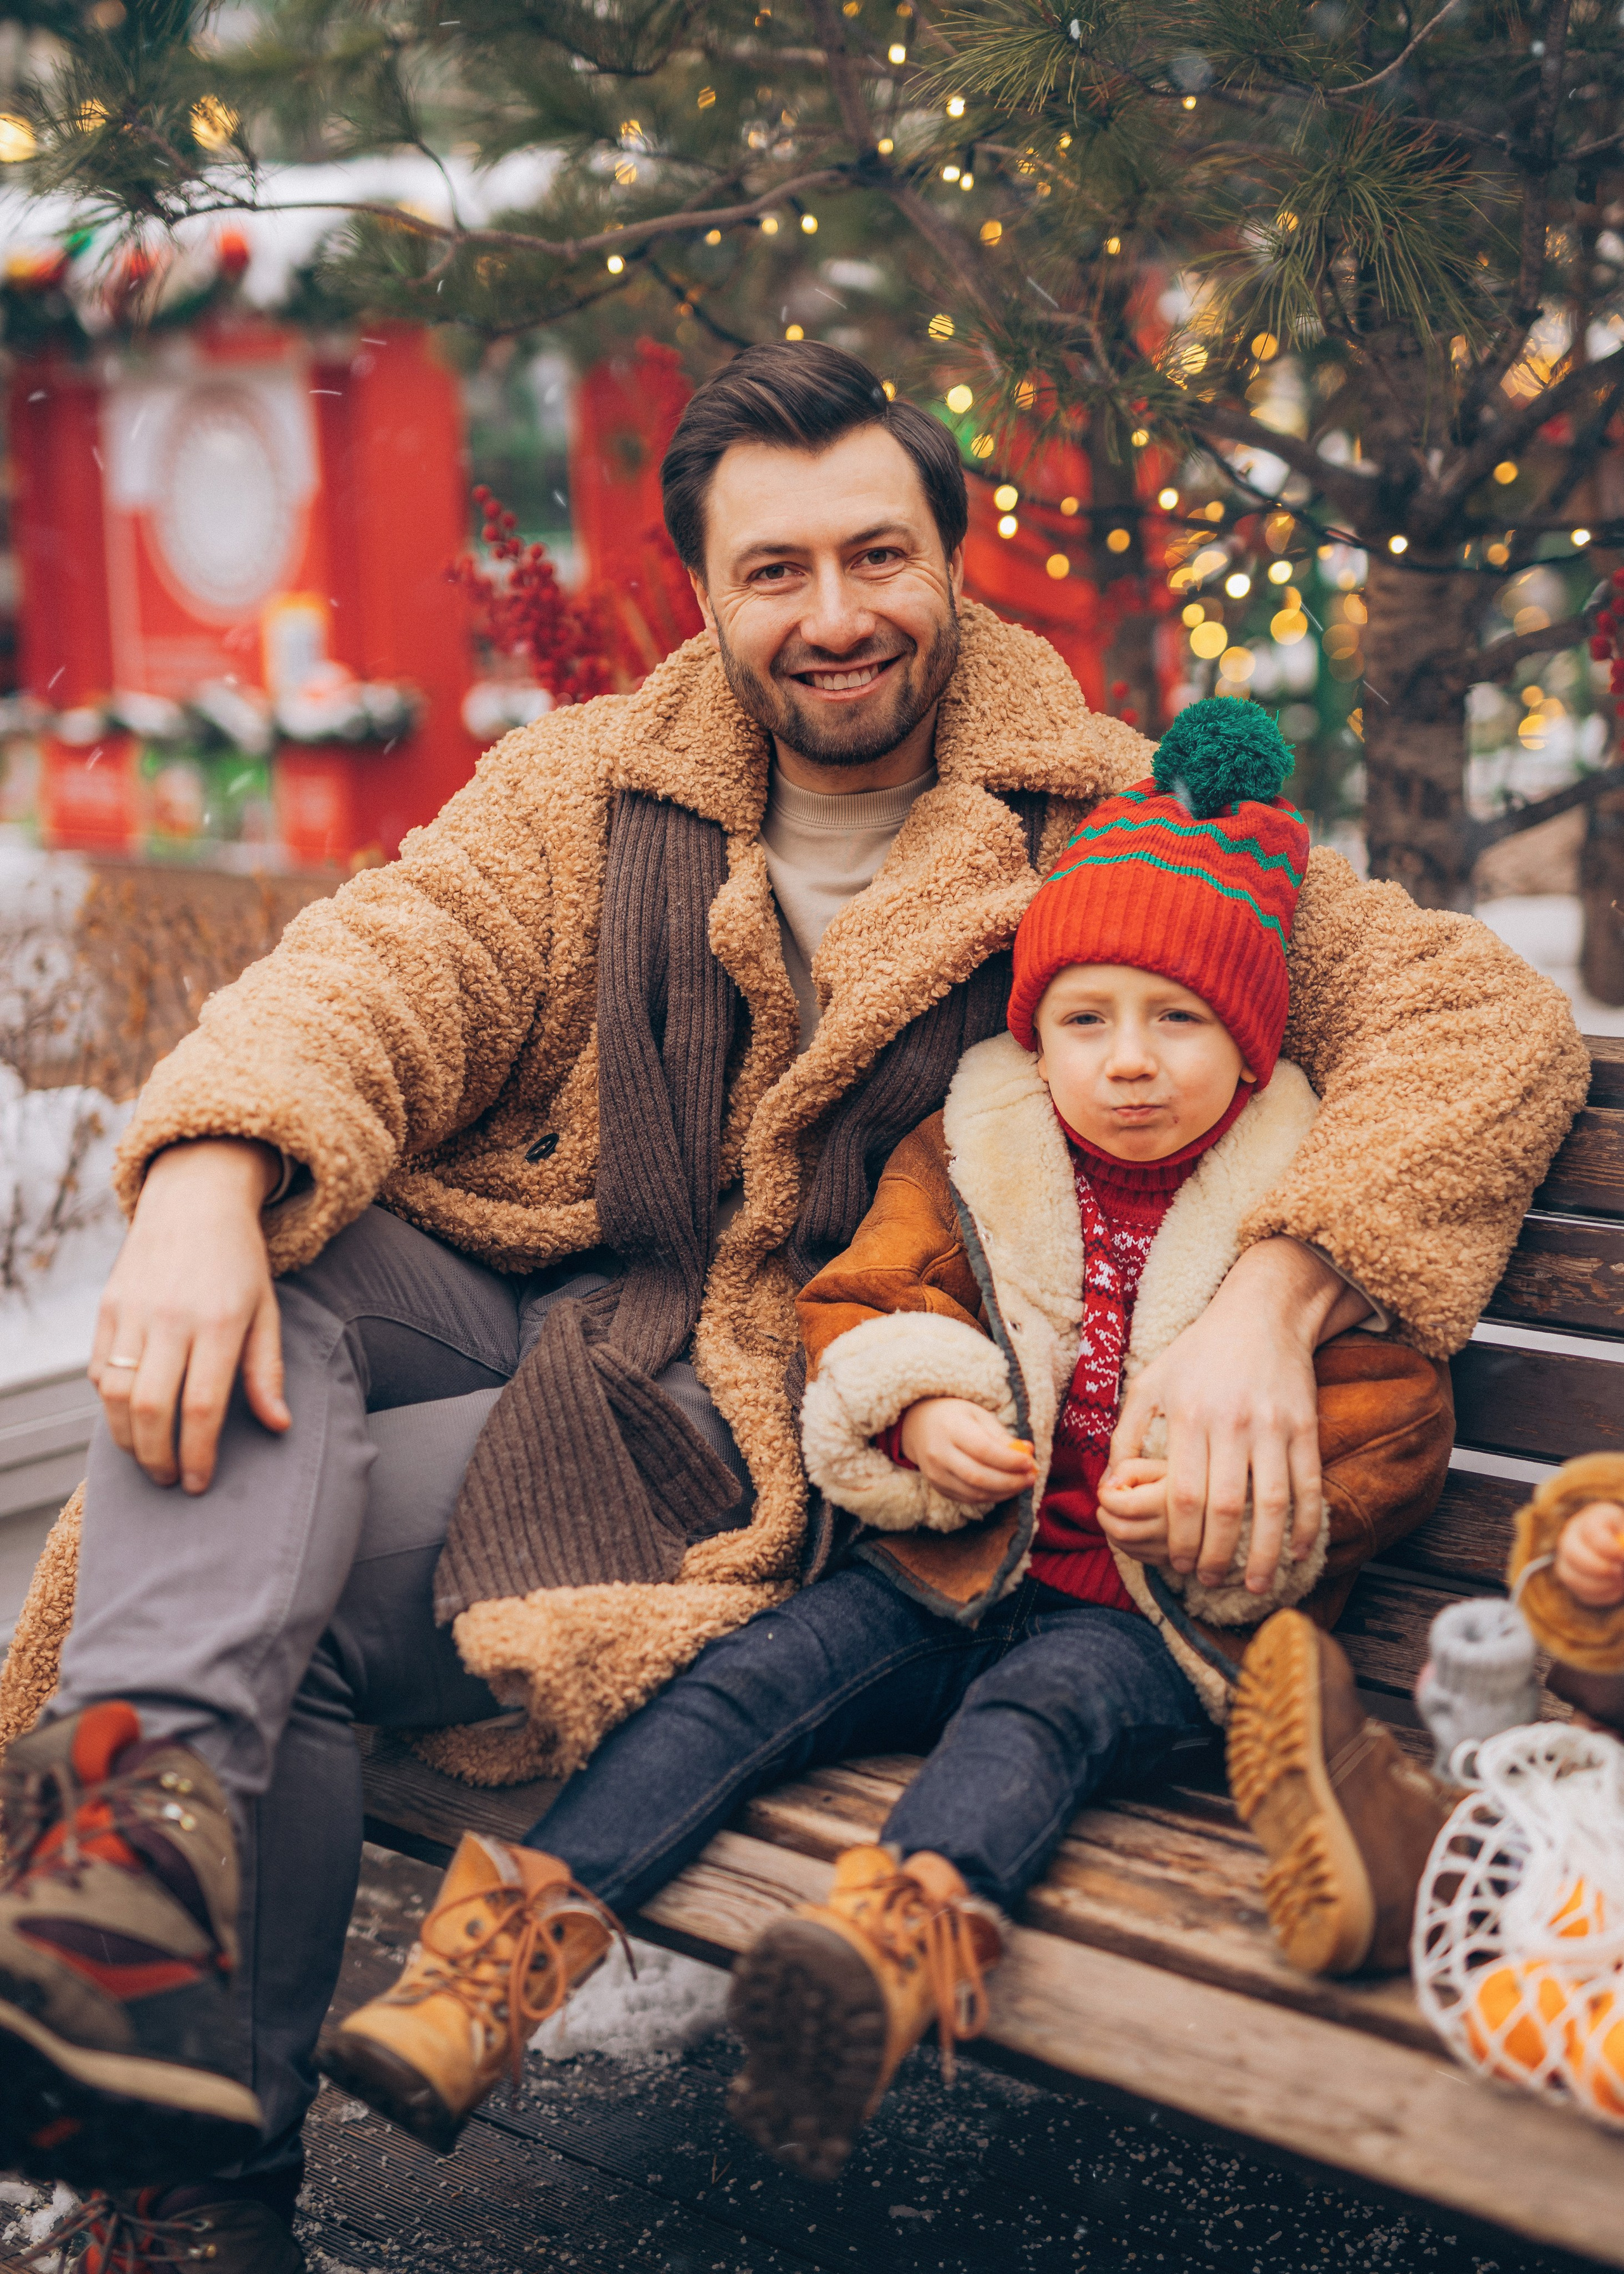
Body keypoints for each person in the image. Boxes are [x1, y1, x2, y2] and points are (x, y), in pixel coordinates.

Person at [0, 340, 1587, 2271]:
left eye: (875, 556)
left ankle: (185, 2189)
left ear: (949, 560)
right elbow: (379, 965)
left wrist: (1274, 1286)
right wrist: (194, 1184)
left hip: (747, 1418)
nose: (832, 617)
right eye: (774, 572)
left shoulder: (1091, 810)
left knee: (296, 1591)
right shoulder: (591, 785)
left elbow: (1476, 1018)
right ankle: (126, 1861)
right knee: (263, 1282)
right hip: (517, 1306)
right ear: (703, 591)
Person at [1229, 1452, 1624, 1981]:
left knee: (1529, 1852)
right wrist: (1587, 1539)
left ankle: (1418, 1875)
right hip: (1587, 1805)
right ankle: (1428, 1852)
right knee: (1522, 1834)